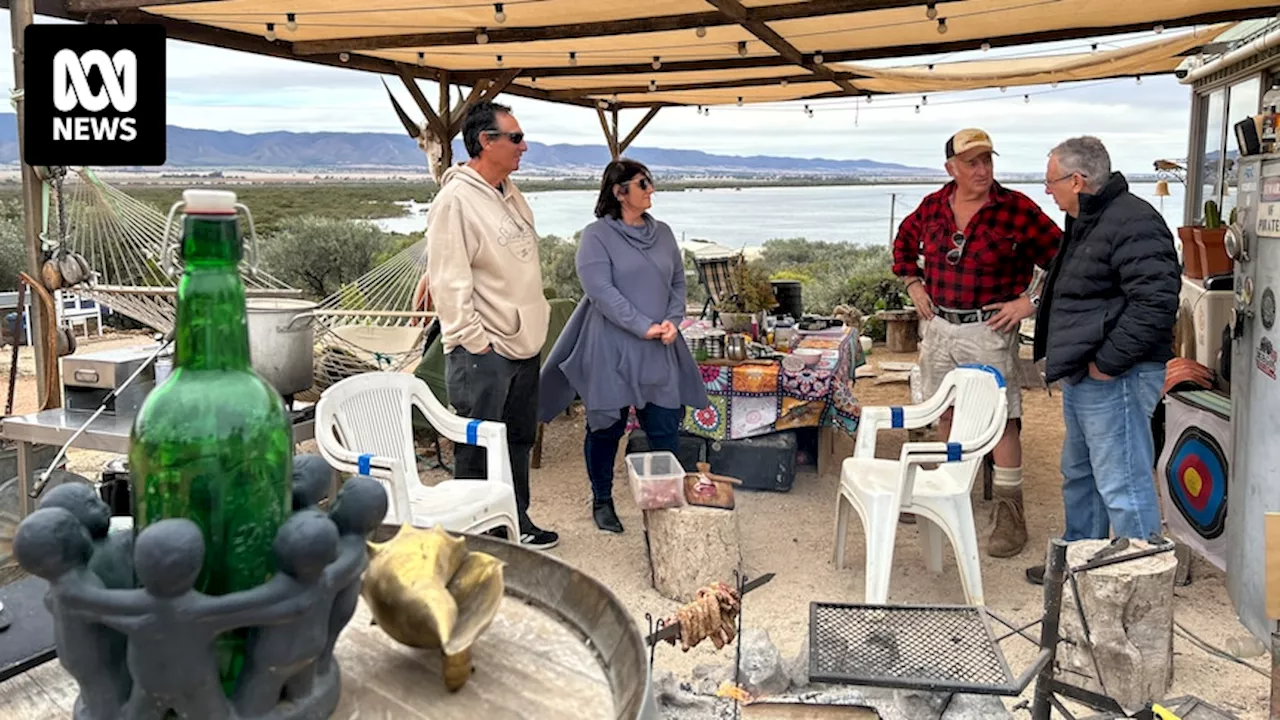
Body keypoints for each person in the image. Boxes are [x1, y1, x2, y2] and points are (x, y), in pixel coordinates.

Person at [893, 128, 1062, 558]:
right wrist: (914, 282)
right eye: (972, 162)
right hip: (940, 328)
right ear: (951, 167)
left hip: (989, 329)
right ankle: (947, 492)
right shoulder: (933, 207)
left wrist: (1030, 301)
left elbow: (1064, 258)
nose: (982, 169)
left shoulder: (1016, 209)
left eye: (987, 160)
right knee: (944, 414)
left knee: (1001, 421)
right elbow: (903, 244)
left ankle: (1010, 513)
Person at [1027, 137, 1179, 583]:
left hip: (1117, 375)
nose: (1047, 191)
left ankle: (1137, 583)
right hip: (1087, 372)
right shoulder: (1089, 219)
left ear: (1078, 179)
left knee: (1123, 483)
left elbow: (1154, 303)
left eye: (1051, 181)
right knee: (1081, 473)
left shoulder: (1132, 221)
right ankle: (1081, 565)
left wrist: (1108, 364)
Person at [539, 159, 709, 533]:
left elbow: (678, 284)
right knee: (605, 429)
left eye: (650, 182)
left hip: (659, 348)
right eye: (643, 183)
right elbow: (600, 291)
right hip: (611, 348)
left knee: (664, 426)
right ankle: (602, 500)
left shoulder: (663, 233)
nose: (651, 190)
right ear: (619, 192)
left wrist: (671, 321)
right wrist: (642, 325)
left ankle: (663, 502)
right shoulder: (596, 236)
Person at [425, 100, 557, 550]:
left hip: (522, 341)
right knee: (478, 446)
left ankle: (516, 522)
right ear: (486, 141)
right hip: (485, 348)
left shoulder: (508, 191)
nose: (525, 146)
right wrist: (474, 341)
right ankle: (476, 538)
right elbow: (449, 279)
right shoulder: (455, 201)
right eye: (516, 138)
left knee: (517, 440)